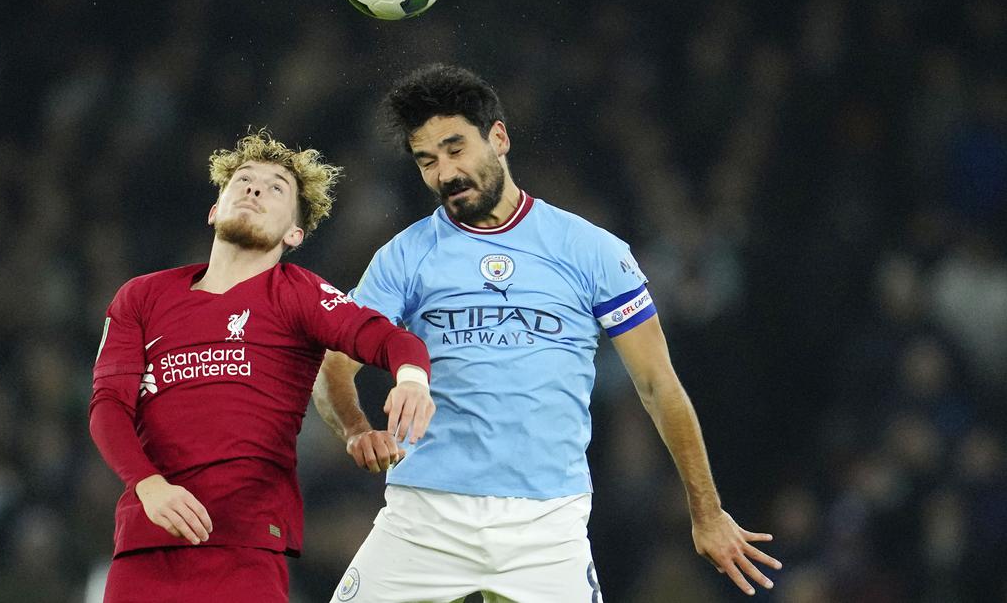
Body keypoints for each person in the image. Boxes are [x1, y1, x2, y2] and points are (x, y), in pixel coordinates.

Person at [313, 64, 782, 602]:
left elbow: (657, 385)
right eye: (428, 161)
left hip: (547, 529)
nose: (445, 173)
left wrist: (706, 511)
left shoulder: (591, 251)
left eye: (455, 148)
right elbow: (333, 364)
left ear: (499, 137)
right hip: (424, 516)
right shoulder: (404, 257)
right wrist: (354, 429)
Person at [88, 130, 436, 603]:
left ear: (295, 233)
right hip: (146, 543)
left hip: (247, 548)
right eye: (243, 181)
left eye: (276, 188)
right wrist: (148, 486)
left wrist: (412, 382)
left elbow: (394, 340)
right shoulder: (142, 296)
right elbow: (108, 407)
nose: (254, 189)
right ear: (214, 210)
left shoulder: (299, 293)